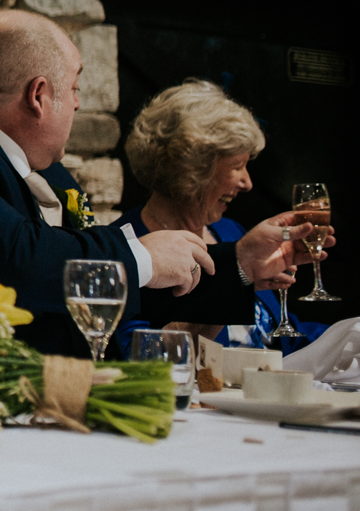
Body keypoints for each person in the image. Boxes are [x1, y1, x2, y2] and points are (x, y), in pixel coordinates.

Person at [0, 10, 323, 357]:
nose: (79, 104)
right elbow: (19, 260)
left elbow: (101, 282)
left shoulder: (49, 173)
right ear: (39, 96)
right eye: (74, 89)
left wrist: (237, 264)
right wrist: (143, 255)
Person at [113, 79, 327, 355]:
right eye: (237, 167)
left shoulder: (231, 232)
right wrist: (231, 281)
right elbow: (137, 358)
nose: (248, 183)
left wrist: (347, 338)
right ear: (191, 168)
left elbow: (282, 339)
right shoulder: (128, 248)